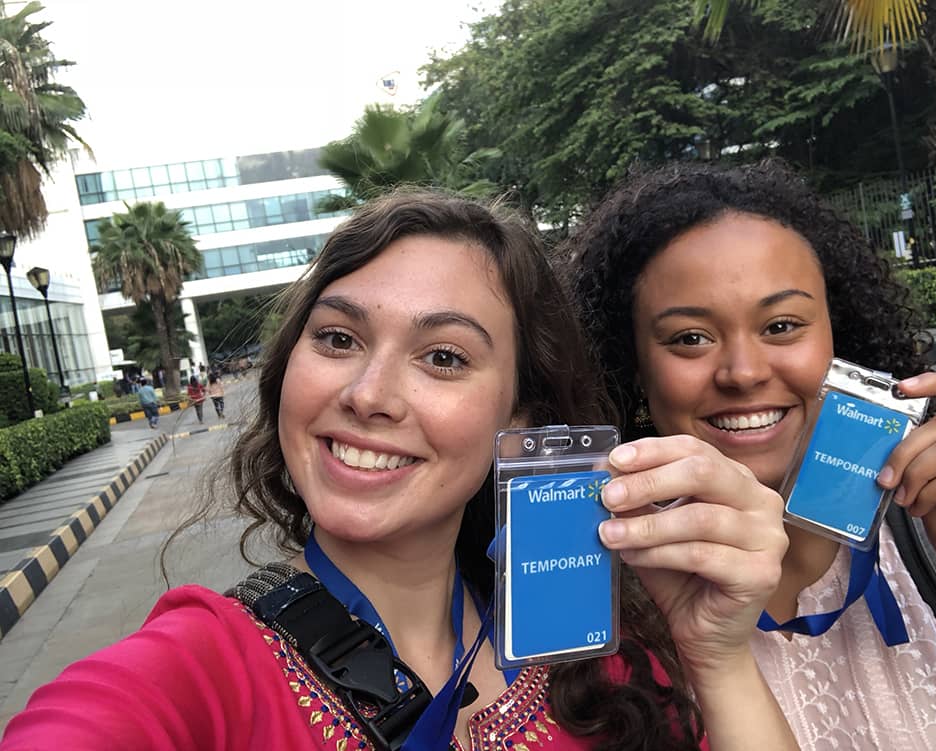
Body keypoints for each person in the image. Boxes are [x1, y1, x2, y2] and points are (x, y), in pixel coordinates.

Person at [0, 191, 796, 751]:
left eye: (443, 356)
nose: (368, 395)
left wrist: (716, 655)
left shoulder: (595, 653)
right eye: (338, 339)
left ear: (519, 417)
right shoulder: (197, 673)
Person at [569, 159, 936, 750]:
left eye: (782, 326)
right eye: (690, 338)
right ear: (630, 364)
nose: (743, 373)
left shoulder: (935, 536)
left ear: (836, 335)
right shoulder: (597, 591)